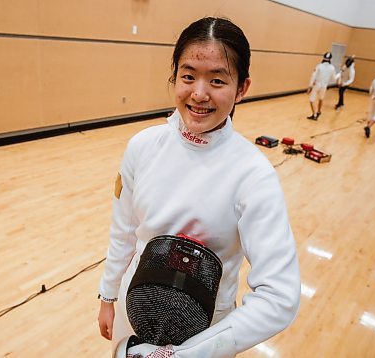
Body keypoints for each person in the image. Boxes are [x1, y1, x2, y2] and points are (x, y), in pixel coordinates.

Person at [97, 17, 301, 358]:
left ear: (242, 88)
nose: (199, 94)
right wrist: (108, 296)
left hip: (208, 330)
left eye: (217, 80)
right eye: (188, 76)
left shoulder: (254, 174)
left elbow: (280, 296)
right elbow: (125, 233)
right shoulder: (142, 146)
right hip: (134, 312)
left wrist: (190, 353)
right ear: (174, 77)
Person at [307, 52, 336, 120]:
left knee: (312, 100)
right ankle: (319, 111)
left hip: (317, 85)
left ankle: (314, 115)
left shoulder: (319, 66)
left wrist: (310, 86)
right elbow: (333, 79)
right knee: (321, 99)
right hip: (324, 86)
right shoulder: (332, 68)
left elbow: (313, 76)